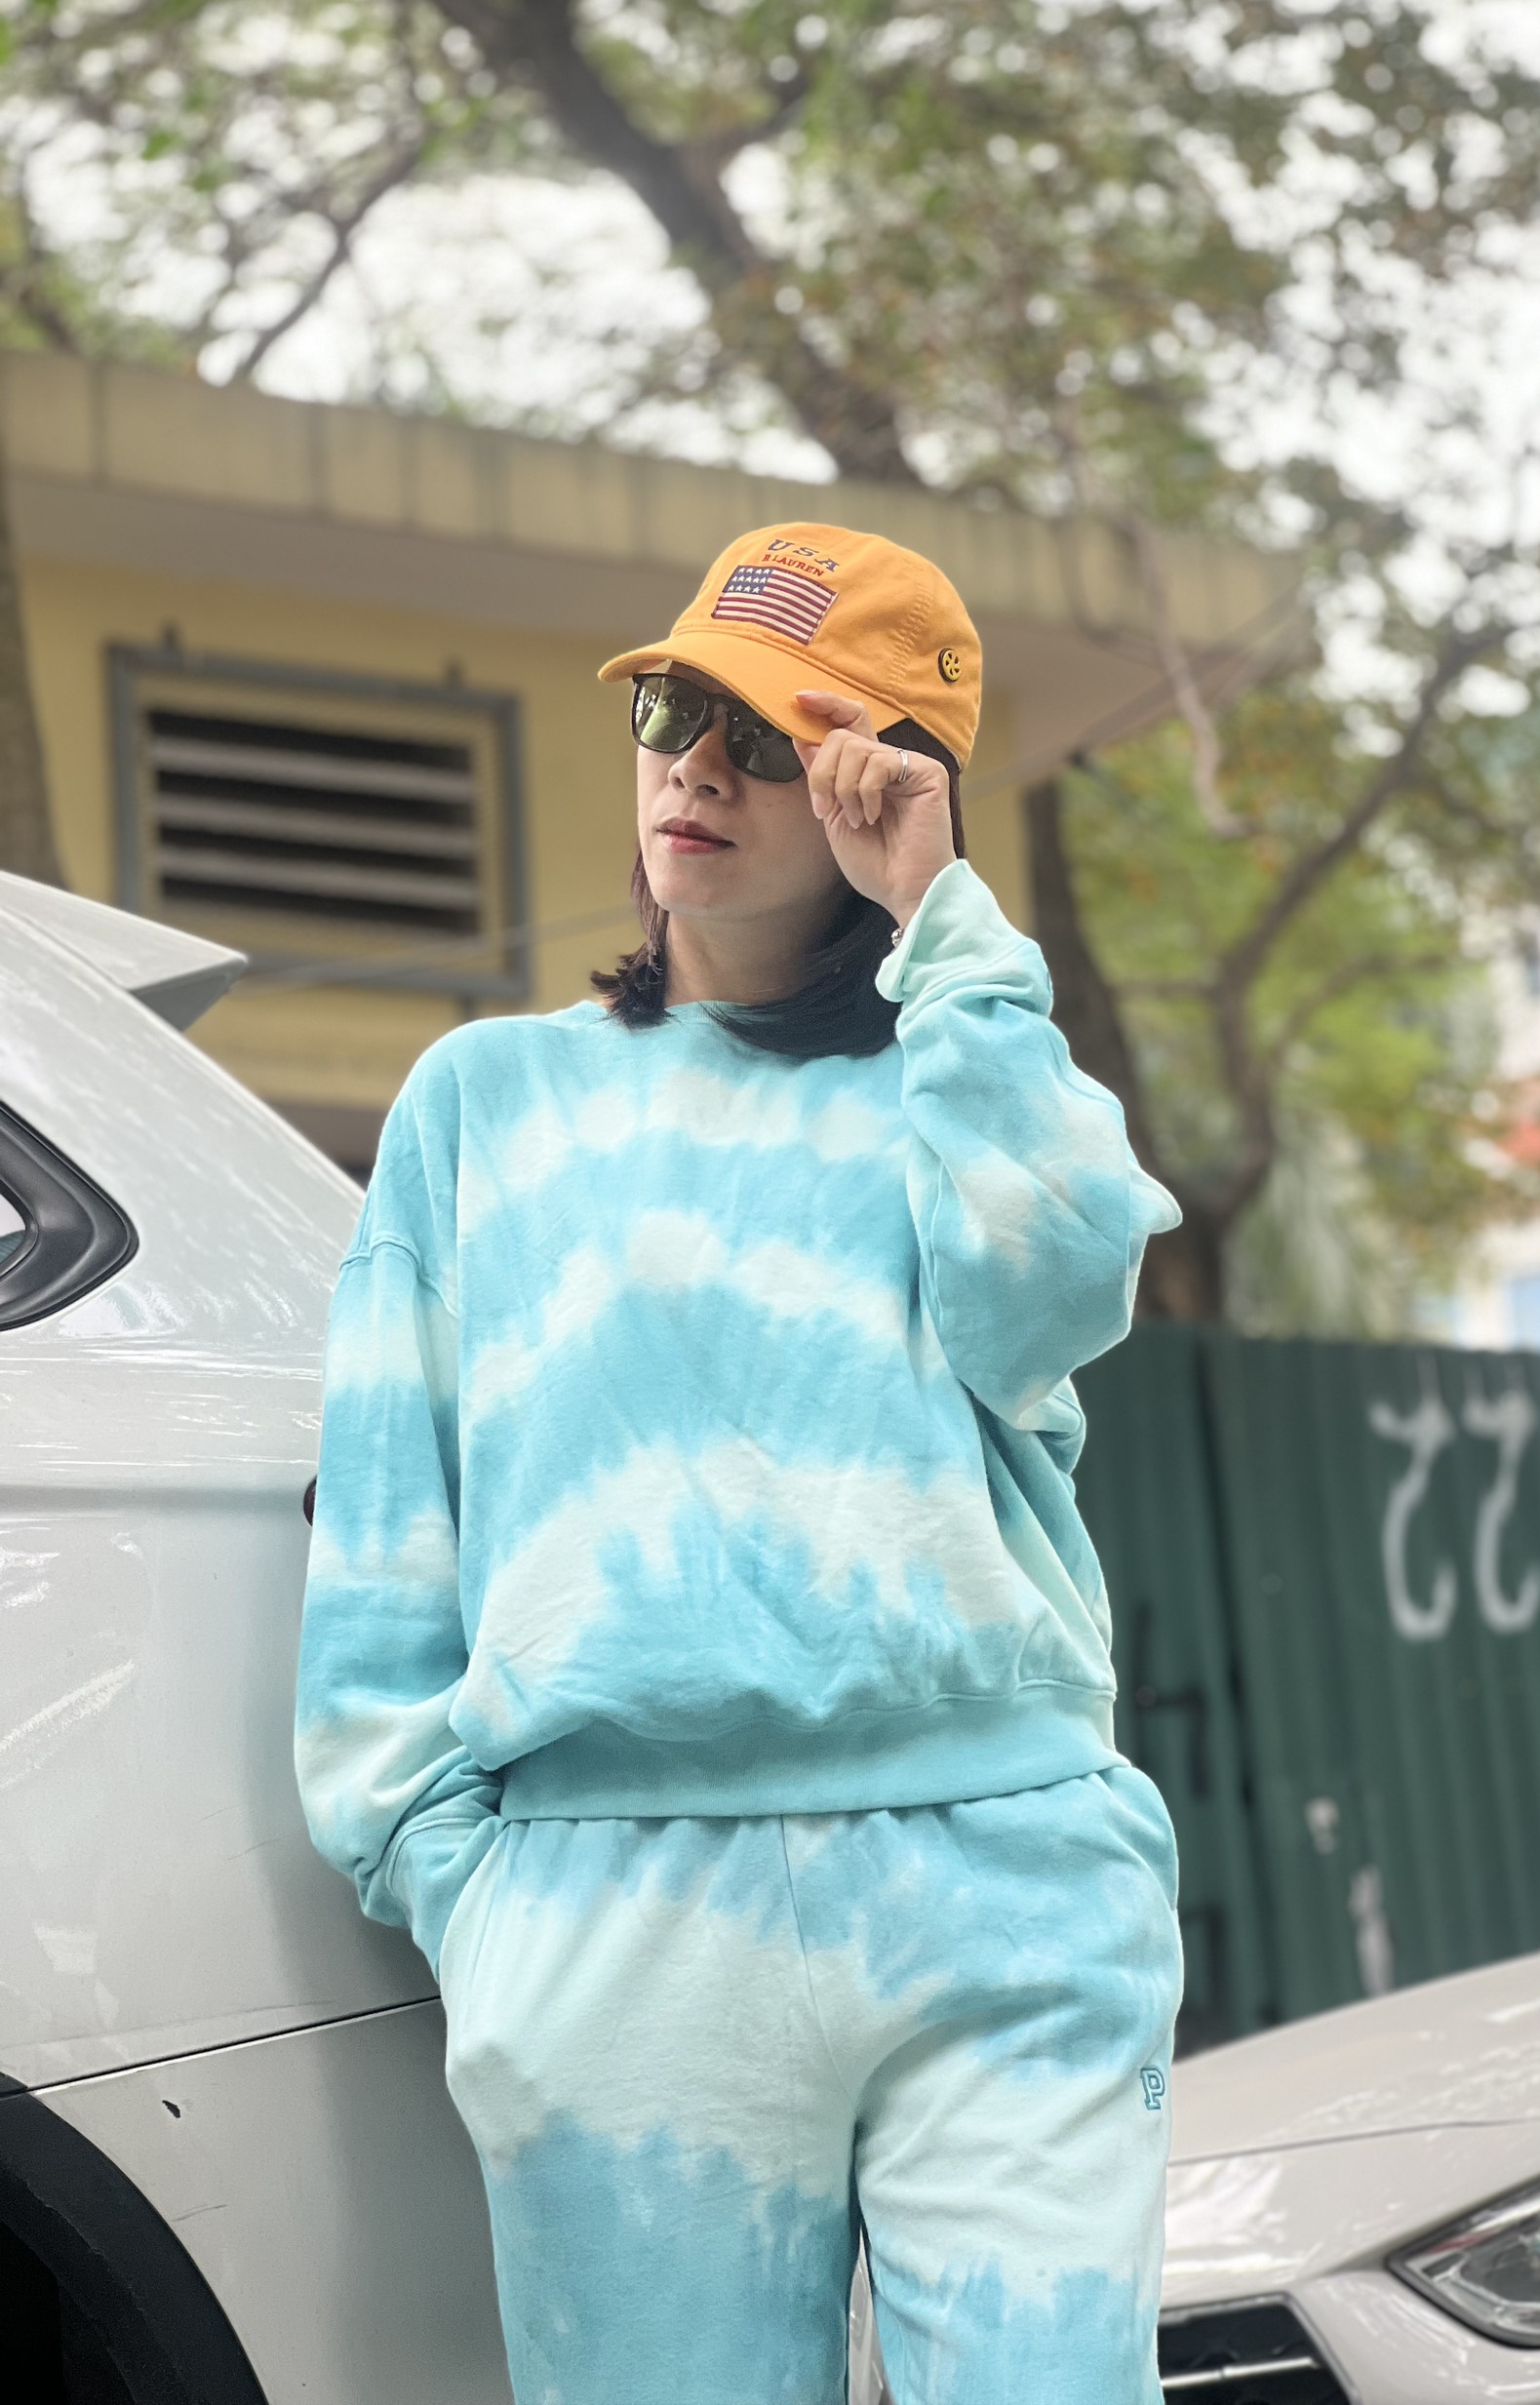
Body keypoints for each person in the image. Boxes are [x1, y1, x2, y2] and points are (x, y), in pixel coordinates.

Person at [295, 521, 1184, 2405]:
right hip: (616, 1924)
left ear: (886, 786)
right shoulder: (485, 1099)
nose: (695, 767)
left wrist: (945, 925)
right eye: (672, 710)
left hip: (1002, 1878)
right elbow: (384, 1522)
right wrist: (452, 1871)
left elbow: (1061, 1281)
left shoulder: (954, 1076)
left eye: (771, 737)